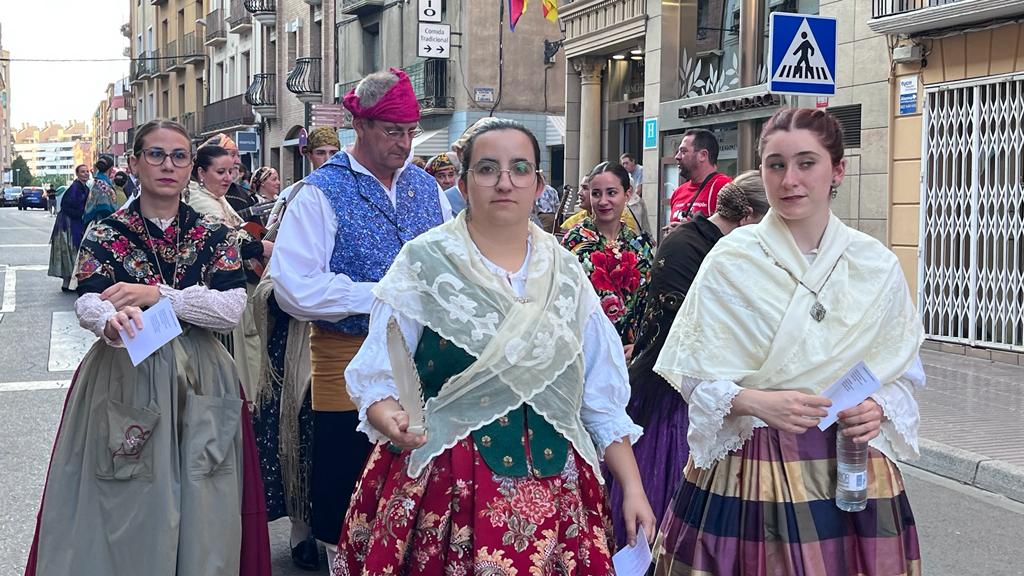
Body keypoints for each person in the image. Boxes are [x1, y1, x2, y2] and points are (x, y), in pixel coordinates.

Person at [334, 117, 656, 576]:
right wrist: (391, 419)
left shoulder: (567, 274)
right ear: (463, 184)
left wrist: (634, 488)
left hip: (558, 493)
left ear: (538, 185)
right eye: (487, 169)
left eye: (519, 168)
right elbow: (378, 374)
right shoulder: (423, 263)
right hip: (447, 489)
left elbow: (599, 398)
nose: (504, 181)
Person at [652, 108, 926, 575]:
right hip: (754, 465)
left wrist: (878, 406)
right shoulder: (733, 258)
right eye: (775, 164)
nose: (789, 179)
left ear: (837, 169)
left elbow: (901, 369)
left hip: (851, 463)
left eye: (806, 162)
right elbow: (694, 374)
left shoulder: (873, 263)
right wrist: (754, 400)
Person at [24, 119, 271, 576]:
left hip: (202, 374)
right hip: (126, 369)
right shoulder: (107, 231)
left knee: (207, 500)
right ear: (135, 163)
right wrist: (110, 323)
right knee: (125, 500)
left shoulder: (213, 232)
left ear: (190, 168)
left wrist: (158, 295)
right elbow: (90, 301)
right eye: (155, 154)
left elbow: (230, 309)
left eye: (179, 156)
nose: (167, 165)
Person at [268, 68, 452, 570]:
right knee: (349, 505)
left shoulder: (426, 189)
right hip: (347, 367)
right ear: (360, 124)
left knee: (420, 499)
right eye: (394, 130)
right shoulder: (320, 192)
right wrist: (381, 296)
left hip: (426, 368)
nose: (406, 142)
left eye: (411, 131)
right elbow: (293, 286)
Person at [606, 170, 769, 549]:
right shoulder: (686, 245)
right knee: (668, 502)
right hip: (672, 391)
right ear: (747, 216)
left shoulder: (734, 246)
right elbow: (686, 331)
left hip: (723, 388)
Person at [188, 145, 273, 403]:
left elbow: (240, 229)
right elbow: (225, 239)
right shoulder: (200, 201)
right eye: (221, 171)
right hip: (217, 288)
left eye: (231, 171)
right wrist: (261, 245)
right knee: (231, 355)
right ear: (201, 173)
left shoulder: (215, 197)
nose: (228, 178)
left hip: (236, 283)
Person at [561, 161, 654, 349]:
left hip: (630, 353)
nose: (603, 201)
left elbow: (649, 301)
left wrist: (640, 344)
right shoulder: (574, 242)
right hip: (586, 349)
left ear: (627, 195)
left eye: (611, 193)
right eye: (596, 193)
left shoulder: (639, 245)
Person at [266, 127, 341, 229]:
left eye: (333, 153)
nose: (328, 159)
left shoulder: (350, 191)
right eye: (320, 153)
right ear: (310, 156)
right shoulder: (292, 194)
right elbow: (272, 234)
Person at [665, 128, 732, 234]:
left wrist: (688, 232)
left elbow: (731, 234)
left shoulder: (724, 187)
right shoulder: (678, 192)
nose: (677, 157)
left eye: (683, 151)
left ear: (703, 155)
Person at [47, 164, 90, 292]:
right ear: (77, 174)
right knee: (70, 251)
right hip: (68, 224)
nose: (86, 174)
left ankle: (68, 283)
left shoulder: (84, 188)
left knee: (71, 252)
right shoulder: (75, 188)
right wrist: (81, 214)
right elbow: (66, 206)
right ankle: (68, 283)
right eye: (82, 172)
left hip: (73, 222)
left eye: (87, 171)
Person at [620, 152, 650, 234]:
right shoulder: (627, 174)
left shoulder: (640, 170)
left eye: (627, 163)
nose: (625, 166)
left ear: (633, 161)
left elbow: (638, 190)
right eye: (623, 164)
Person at [83, 155, 118, 226]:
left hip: (93, 222)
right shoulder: (103, 185)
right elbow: (105, 209)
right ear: (111, 169)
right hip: (101, 224)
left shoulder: (96, 182)